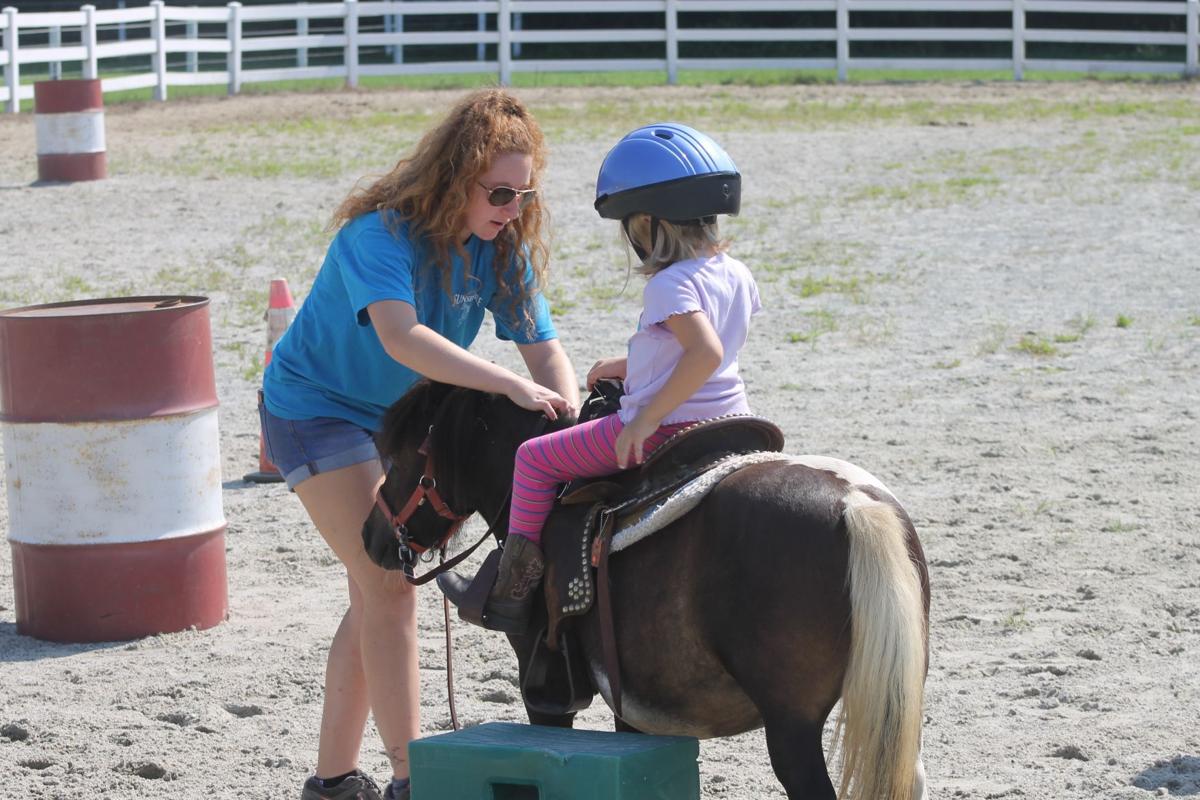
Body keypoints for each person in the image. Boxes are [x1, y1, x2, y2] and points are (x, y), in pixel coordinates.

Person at [258, 88, 579, 800]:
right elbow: (403, 337)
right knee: (391, 584)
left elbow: (548, 356)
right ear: (452, 179)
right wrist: (505, 386)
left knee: (375, 593)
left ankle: (334, 782)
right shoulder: (375, 235)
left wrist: (567, 418)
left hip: (399, 421)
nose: (512, 208)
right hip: (318, 411)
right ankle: (413, 781)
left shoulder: (502, 250)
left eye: (524, 195)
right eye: (499, 192)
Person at [439, 122, 760, 634]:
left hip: (667, 425)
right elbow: (710, 353)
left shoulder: (669, 284)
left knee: (534, 459)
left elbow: (704, 351)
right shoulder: (736, 272)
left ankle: (513, 589)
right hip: (732, 417)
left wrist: (643, 419)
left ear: (648, 224)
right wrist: (630, 366)